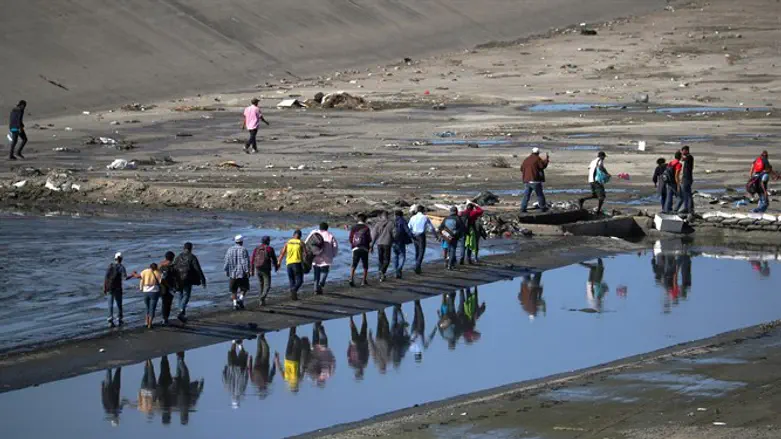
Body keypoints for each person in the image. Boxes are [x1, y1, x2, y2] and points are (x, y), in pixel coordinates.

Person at [173, 242, 207, 323]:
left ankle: (181, 312)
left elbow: (174, 266)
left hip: (178, 279)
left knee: (180, 295)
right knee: (186, 295)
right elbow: (198, 269)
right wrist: (203, 279)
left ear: (184, 248)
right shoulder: (192, 257)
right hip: (188, 279)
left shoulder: (178, 256)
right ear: (191, 248)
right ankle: (181, 311)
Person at [103, 252, 137, 327]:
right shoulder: (121, 267)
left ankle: (110, 321)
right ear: (121, 259)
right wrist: (132, 275)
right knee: (119, 304)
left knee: (110, 304)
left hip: (109, 287)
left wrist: (104, 287)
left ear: (115, 258)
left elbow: (106, 278)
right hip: (117, 288)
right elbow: (125, 278)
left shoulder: (110, 266)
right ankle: (119, 319)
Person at [172, 352, 204, 425]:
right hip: (178, 384)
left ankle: (180, 357)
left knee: (183, 370)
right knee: (180, 370)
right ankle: (179, 355)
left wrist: (200, 384)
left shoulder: (189, 406)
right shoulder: (178, 408)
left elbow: (196, 393)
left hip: (184, 384)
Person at [307, 223, 338, 294]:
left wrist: (308, 254)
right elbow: (335, 247)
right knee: (325, 271)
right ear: (327, 228)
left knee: (316, 273)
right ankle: (321, 284)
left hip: (315, 256)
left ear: (319, 227)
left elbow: (307, 242)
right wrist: (333, 255)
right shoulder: (330, 235)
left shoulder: (314, 233)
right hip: (327, 257)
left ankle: (315, 289)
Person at [408, 205, 438, 274]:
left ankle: (417, 266)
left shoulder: (413, 217)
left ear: (417, 210)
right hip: (421, 236)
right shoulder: (425, 217)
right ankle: (417, 265)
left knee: (417, 251)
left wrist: (409, 236)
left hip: (414, 235)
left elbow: (409, 227)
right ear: (423, 210)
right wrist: (435, 236)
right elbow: (431, 228)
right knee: (421, 251)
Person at [250, 236, 279, 306]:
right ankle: (262, 298)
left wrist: (252, 270)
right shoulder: (270, 249)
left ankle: (261, 302)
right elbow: (274, 259)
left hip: (258, 268)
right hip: (266, 270)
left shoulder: (256, 248)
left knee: (261, 285)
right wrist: (276, 267)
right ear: (268, 241)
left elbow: (252, 260)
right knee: (267, 285)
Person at [224, 235, 250, 310]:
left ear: (235, 241)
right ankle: (241, 299)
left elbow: (226, 261)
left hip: (232, 273)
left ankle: (235, 304)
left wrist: (226, 270)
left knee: (233, 290)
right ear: (242, 241)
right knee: (244, 288)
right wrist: (247, 271)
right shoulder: (243, 249)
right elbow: (245, 261)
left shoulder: (229, 249)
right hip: (242, 273)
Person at [278, 230, 306, 300]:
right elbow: (306, 254)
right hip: (297, 263)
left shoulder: (288, 242)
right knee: (300, 281)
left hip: (289, 264)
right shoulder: (301, 242)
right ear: (300, 236)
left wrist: (279, 262)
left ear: (293, 235)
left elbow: (282, 253)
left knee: (292, 280)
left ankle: (294, 296)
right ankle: (294, 290)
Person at [274, 328, 305, 392]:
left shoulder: (298, 380)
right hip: (287, 357)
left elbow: (303, 369)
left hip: (295, 359)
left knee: (298, 341)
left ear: (297, 387)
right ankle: (293, 326)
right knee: (290, 339)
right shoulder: (286, 379)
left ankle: (294, 332)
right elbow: (280, 369)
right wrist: (277, 359)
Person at [520, 147, 550, 213]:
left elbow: (521, 168)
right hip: (535, 180)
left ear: (532, 152)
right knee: (540, 195)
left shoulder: (526, 159)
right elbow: (542, 166)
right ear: (538, 153)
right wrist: (546, 159)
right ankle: (543, 208)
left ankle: (523, 208)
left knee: (526, 195)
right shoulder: (537, 159)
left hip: (527, 181)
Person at [222, 340, 250, 408]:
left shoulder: (241, 390)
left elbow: (245, 379)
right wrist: (225, 370)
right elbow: (224, 379)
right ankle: (234, 342)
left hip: (239, 369)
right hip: (232, 367)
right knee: (232, 352)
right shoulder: (228, 389)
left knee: (240, 354)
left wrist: (246, 370)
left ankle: (240, 345)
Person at [349, 214, 373, 287]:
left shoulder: (353, 227)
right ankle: (363, 281)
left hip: (355, 248)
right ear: (365, 220)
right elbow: (369, 239)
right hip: (364, 248)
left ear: (358, 219)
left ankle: (351, 278)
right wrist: (370, 247)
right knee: (365, 264)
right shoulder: (366, 228)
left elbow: (350, 238)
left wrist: (353, 245)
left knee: (354, 264)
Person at [438, 206, 466, 270]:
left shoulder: (446, 218)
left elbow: (441, 227)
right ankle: (450, 265)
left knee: (449, 250)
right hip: (454, 237)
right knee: (453, 250)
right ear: (456, 211)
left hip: (446, 237)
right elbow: (462, 228)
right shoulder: (458, 218)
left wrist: (444, 234)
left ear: (450, 211)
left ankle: (450, 263)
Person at [372, 211, 394, 282]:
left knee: (380, 260)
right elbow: (395, 234)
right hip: (387, 243)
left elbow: (374, 235)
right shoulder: (391, 224)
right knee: (387, 260)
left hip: (379, 243)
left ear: (381, 216)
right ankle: (382, 271)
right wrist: (394, 241)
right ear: (388, 216)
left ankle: (381, 276)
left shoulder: (378, 224)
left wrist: (372, 245)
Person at [391, 210, 414, 279]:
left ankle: (396, 271)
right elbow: (407, 230)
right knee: (402, 256)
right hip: (401, 241)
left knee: (395, 256)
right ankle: (399, 269)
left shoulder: (393, 222)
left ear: (396, 215)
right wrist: (412, 237)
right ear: (402, 215)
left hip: (393, 241)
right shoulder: (403, 221)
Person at [139, 263, 163, 329]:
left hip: (145, 291)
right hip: (154, 292)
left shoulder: (145, 271)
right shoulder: (158, 273)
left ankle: (146, 322)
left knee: (147, 307)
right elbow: (160, 281)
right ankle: (150, 324)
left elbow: (141, 278)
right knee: (152, 308)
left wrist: (141, 288)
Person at [348, 313, 370, 379]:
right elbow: (367, 353)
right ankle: (351, 317)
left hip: (360, 343)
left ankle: (363, 315)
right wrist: (349, 346)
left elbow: (367, 353)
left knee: (363, 326)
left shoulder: (363, 364)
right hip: (357, 343)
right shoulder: (353, 364)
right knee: (354, 329)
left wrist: (367, 344)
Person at [158, 252, 177, 326]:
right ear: (172, 258)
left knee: (164, 303)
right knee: (168, 304)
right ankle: (165, 319)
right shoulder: (172, 266)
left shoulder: (160, 265)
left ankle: (164, 318)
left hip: (162, 287)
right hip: (169, 287)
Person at [675, 145, 695, 214]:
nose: (683, 153)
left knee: (686, 194)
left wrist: (679, 153)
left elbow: (683, 158)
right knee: (688, 193)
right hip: (687, 177)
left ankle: (687, 208)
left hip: (687, 178)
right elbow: (682, 159)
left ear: (686, 150)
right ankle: (689, 208)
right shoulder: (688, 157)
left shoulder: (689, 157)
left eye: (683, 151)